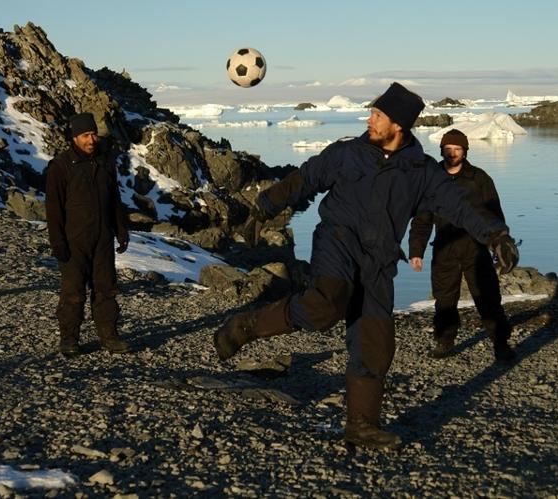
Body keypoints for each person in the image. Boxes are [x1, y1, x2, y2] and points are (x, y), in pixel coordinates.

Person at [213, 83, 519, 450]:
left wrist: (496, 236)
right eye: (372, 113)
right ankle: (245, 326)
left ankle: (361, 425)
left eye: (378, 115)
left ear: (398, 127)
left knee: (376, 342)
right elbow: (305, 178)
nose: (369, 120)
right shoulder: (347, 154)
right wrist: (264, 206)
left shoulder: (421, 172)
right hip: (337, 242)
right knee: (325, 304)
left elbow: (459, 206)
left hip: (380, 261)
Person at [408, 129, 516, 362]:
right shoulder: (431, 179)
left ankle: (501, 343)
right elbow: (422, 219)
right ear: (442, 150)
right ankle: (444, 341)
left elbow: (494, 214)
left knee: (487, 297)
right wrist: (416, 251)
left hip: (475, 248)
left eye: (457, 149)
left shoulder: (479, 179)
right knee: (444, 299)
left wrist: (499, 245)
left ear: (465, 151)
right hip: (444, 248)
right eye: (448, 150)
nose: (452, 154)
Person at [45, 112, 130, 357]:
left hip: (102, 238)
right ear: (74, 138)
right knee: (73, 292)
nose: (91, 139)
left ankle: (109, 337)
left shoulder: (104, 162)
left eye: (93, 134)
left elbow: (114, 200)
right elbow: (53, 209)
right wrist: (57, 242)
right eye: (85, 135)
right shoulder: (60, 167)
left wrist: (121, 229)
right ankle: (69, 340)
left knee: (106, 289)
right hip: (74, 241)